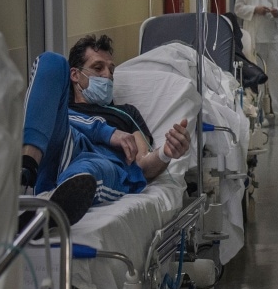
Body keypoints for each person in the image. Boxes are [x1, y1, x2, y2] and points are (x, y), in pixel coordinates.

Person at [21, 34, 191, 224]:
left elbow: (142, 165)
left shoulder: (126, 114)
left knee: (86, 173)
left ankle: (52, 204)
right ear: (75, 75)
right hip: (64, 142)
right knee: (51, 61)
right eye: (98, 68)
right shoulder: (60, 108)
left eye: (111, 70)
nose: (107, 75)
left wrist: (166, 153)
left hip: (102, 162)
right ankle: (26, 170)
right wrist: (107, 132)